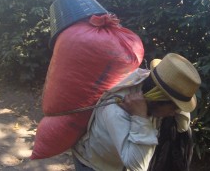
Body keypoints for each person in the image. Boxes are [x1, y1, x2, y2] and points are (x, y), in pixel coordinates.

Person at [72, 53, 201, 171]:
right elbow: (137, 166)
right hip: (95, 166)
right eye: (174, 108)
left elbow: (183, 126)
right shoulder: (116, 110)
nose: (174, 113)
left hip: (118, 163)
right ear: (157, 100)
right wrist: (140, 117)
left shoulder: (151, 84)